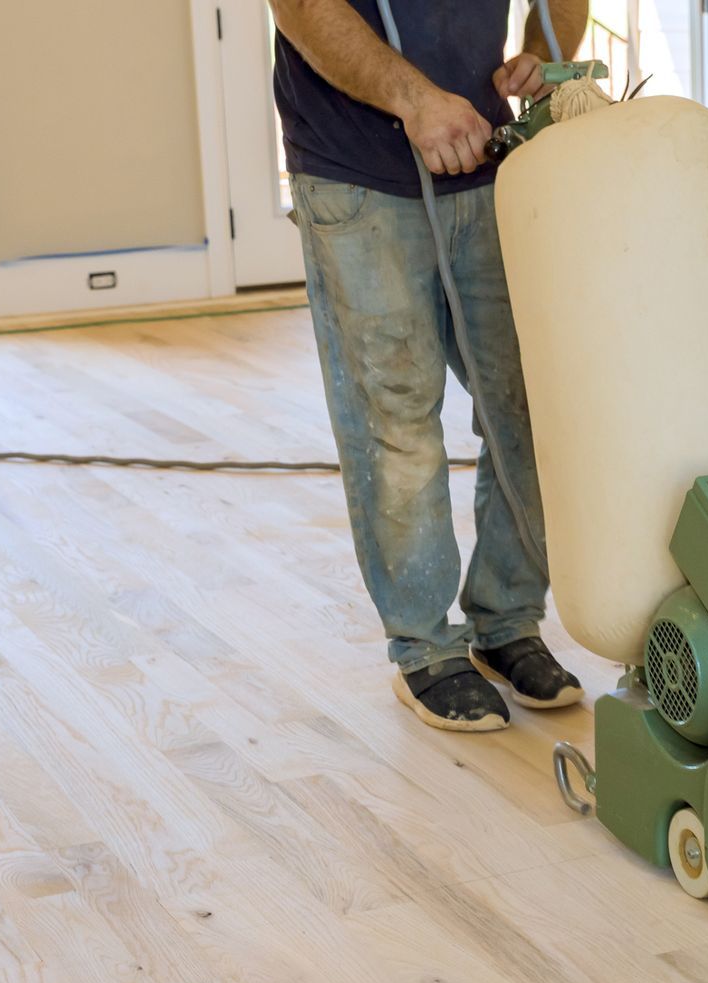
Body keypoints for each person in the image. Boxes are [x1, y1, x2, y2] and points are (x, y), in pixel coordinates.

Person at [270, 0, 586, 732]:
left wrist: (544, 51)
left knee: (528, 402)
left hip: (486, 159)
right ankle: (424, 647)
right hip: (358, 171)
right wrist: (415, 100)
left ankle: (508, 618)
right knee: (397, 421)